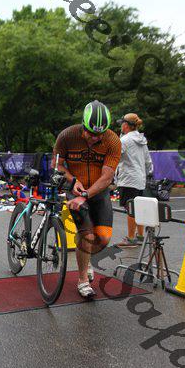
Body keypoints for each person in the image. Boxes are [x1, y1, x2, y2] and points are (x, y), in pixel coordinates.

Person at [53, 100, 121, 298]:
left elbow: (107, 177)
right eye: (90, 133)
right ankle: (83, 280)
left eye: (99, 135)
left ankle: (86, 256)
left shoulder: (113, 140)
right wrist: (72, 180)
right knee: (87, 236)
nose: (94, 138)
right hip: (75, 189)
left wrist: (86, 195)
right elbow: (57, 165)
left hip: (98, 192)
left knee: (103, 239)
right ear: (83, 126)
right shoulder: (67, 136)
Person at [114, 113, 153, 248]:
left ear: (126, 125)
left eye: (122, 124)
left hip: (128, 179)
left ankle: (131, 239)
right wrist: (146, 174)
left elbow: (116, 157)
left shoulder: (124, 140)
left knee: (130, 208)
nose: (121, 126)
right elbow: (148, 161)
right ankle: (140, 236)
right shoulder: (142, 139)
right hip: (140, 178)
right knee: (138, 208)